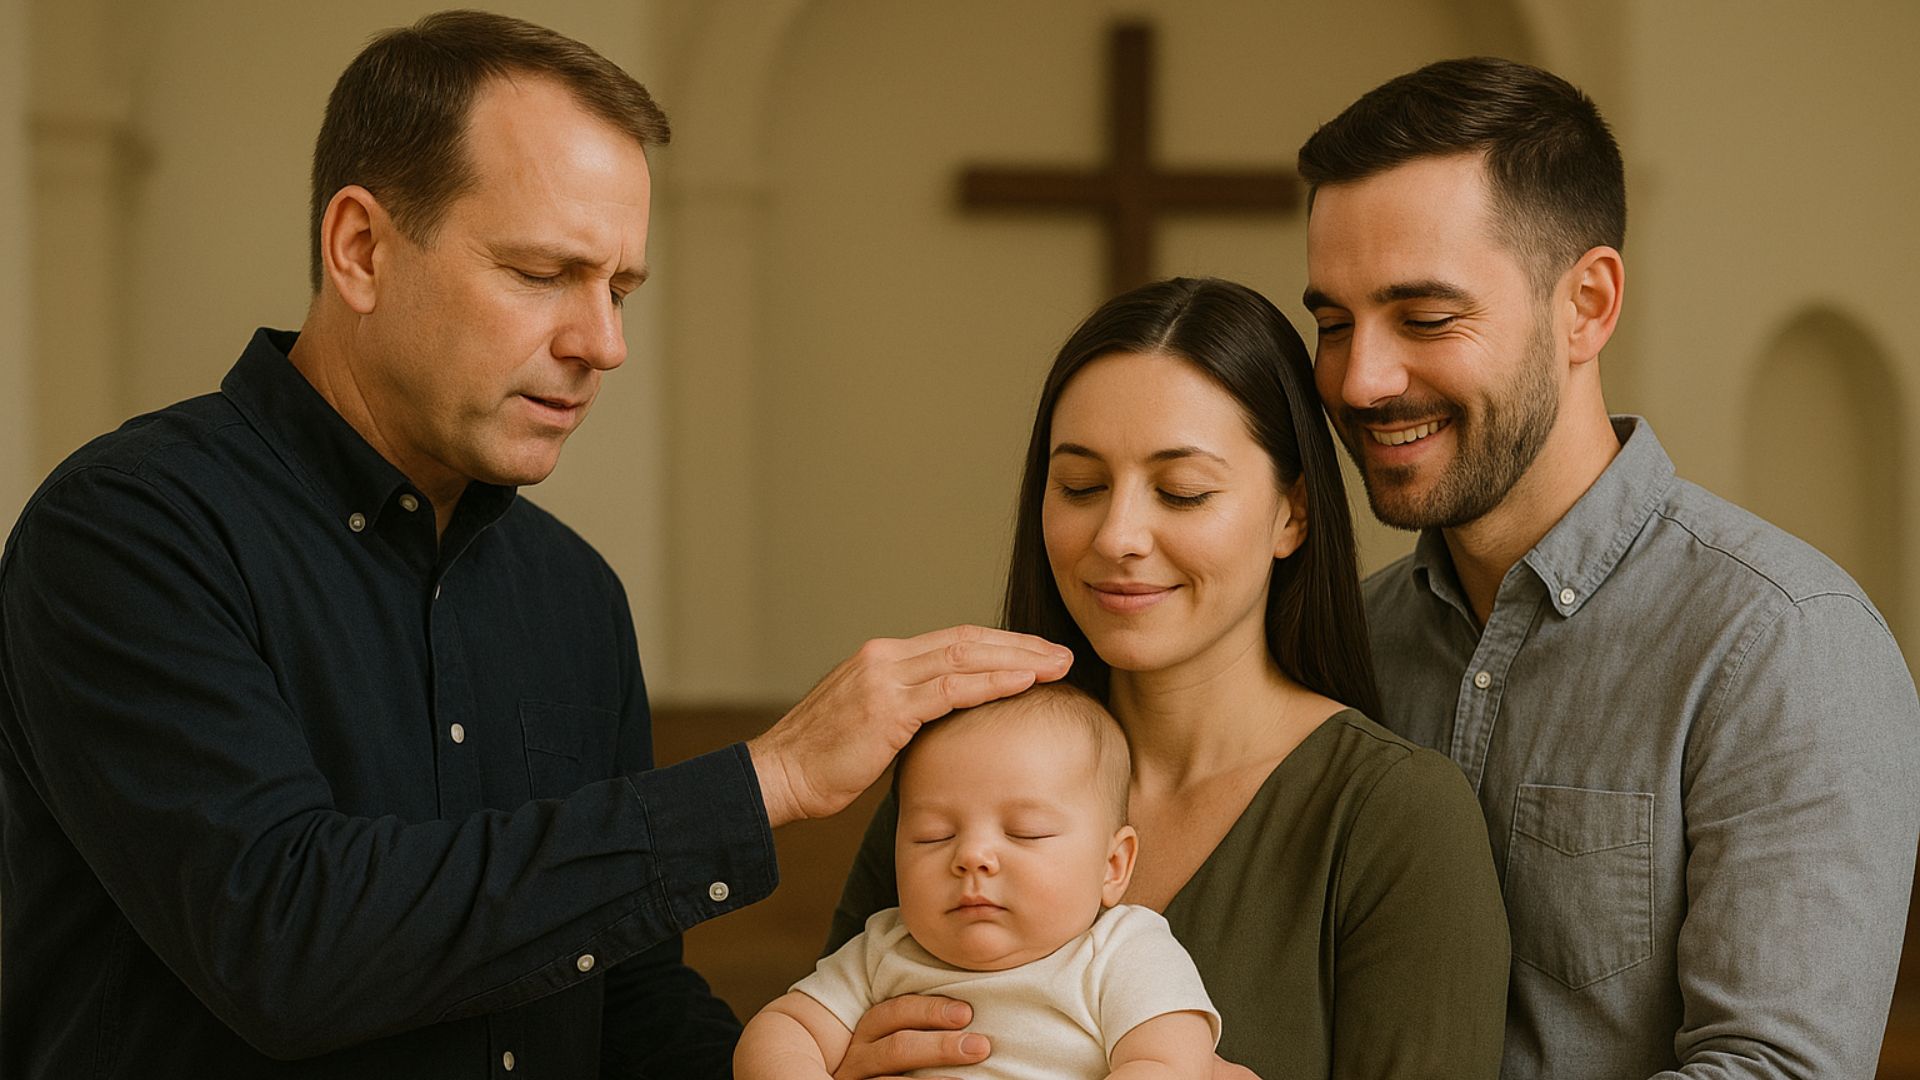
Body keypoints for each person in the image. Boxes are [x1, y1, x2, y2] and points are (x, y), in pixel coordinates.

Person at [0, 12, 1071, 1078]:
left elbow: (621, 1001)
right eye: (542, 272)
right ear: (361, 249)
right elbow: (286, 940)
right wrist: (765, 781)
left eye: (619, 289)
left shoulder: (573, 593)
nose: (601, 343)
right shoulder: (127, 531)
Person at [1297, 56, 1920, 1079]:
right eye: (1331, 322)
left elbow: (1777, 1072)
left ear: (1587, 303)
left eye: (1425, 318)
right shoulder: (1347, 648)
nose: (1361, 379)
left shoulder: (1783, 643)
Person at [824, 277, 1511, 1080]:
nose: (1117, 535)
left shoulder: (1395, 817)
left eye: (1183, 492)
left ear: (1293, 512)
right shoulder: (959, 771)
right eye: (1079, 486)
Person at [738, 684, 1220, 1080]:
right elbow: (784, 1028)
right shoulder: (883, 949)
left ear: (1113, 865)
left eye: (1024, 832)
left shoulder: (1122, 952)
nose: (971, 857)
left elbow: (1168, 1062)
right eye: (934, 837)